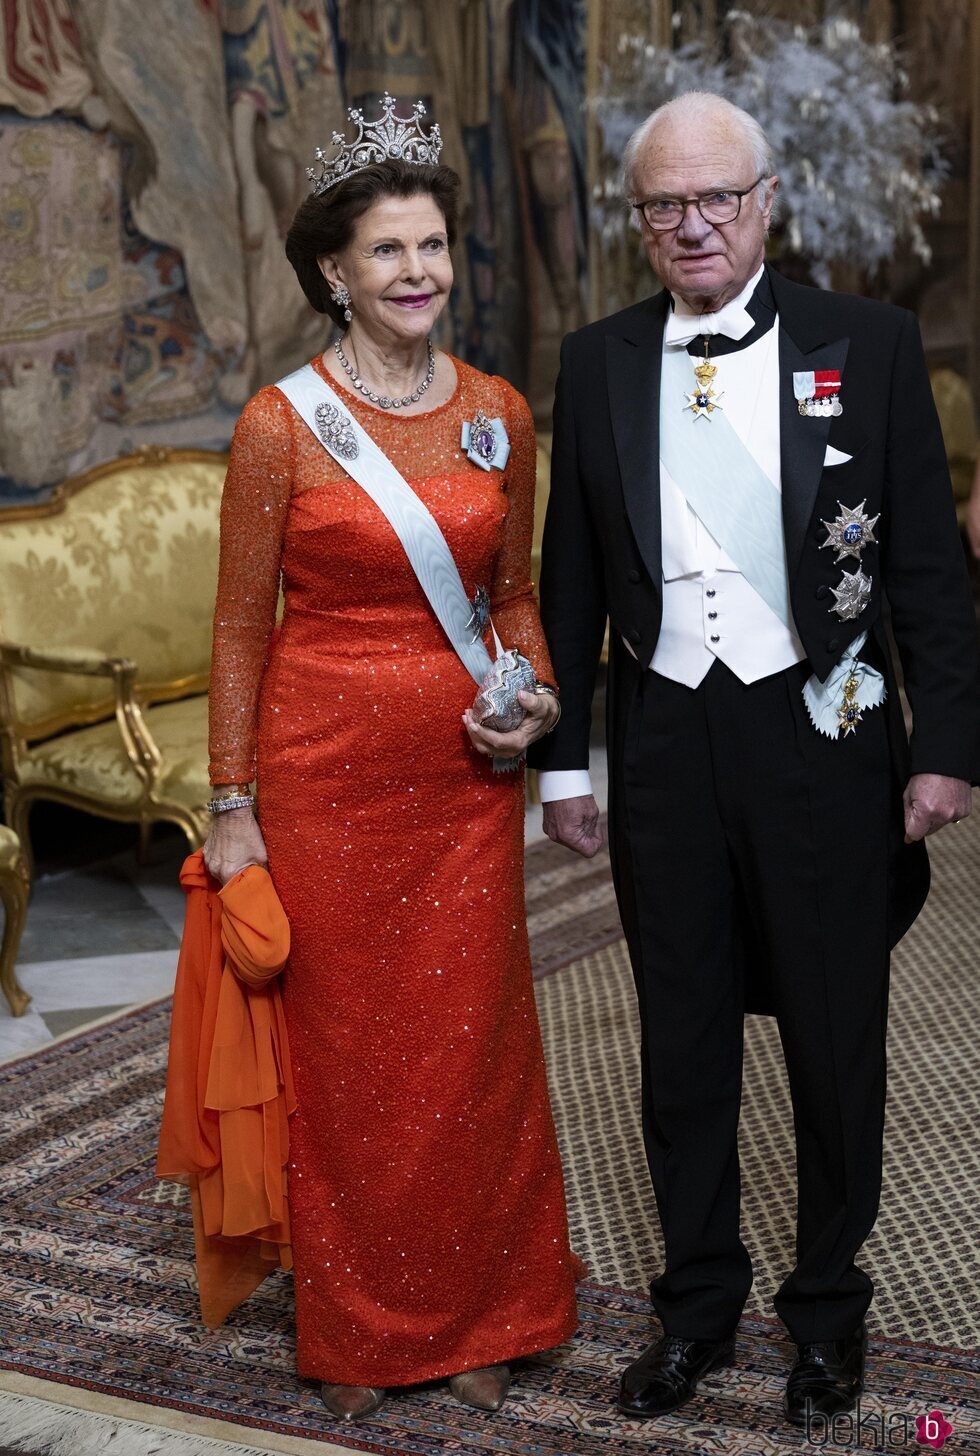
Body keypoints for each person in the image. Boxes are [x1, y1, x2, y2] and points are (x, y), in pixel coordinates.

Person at [529, 91, 979, 1428]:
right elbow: (565, 581)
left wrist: (944, 745)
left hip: (823, 728)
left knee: (836, 1039)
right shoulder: (595, 357)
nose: (692, 225)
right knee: (679, 1041)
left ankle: (827, 1320)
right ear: (638, 221)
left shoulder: (871, 343)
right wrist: (565, 762)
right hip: (664, 733)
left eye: (718, 197)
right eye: (663, 204)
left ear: (769, 200)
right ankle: (696, 1310)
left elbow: (929, 577)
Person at [204, 95, 580, 1424]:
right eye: (387, 251)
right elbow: (243, 624)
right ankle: (364, 1331)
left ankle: (494, 1311)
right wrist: (232, 806)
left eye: (432, 247)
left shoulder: (498, 413)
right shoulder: (278, 425)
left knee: (469, 1052)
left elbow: (517, 601)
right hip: (323, 785)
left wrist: (529, 702)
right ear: (333, 273)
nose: (416, 272)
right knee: (354, 1061)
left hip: (461, 788)